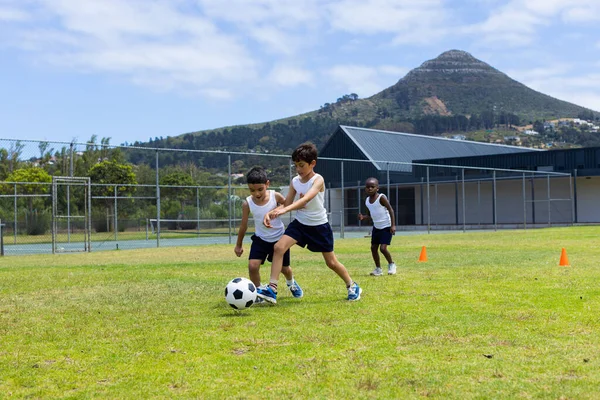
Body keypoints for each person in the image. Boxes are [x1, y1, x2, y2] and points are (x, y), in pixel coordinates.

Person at [256, 142, 362, 304]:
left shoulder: (318, 180)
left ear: (313, 163)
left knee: (331, 263)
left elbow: (306, 199)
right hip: (300, 224)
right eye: (296, 165)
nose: (298, 169)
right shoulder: (295, 181)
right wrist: (271, 213)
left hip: (319, 227)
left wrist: (285, 210)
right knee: (278, 248)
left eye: (302, 165)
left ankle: (352, 285)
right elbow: (287, 202)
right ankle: (272, 289)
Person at [234, 166, 303, 302]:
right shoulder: (247, 203)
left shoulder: (275, 196)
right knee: (253, 266)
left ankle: (291, 283)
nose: (257, 194)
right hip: (260, 239)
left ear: (267, 184)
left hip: (279, 240)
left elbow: (286, 205)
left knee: (285, 269)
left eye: (260, 189)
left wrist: (274, 211)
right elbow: (243, 226)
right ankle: (259, 292)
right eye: (252, 190)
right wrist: (238, 245)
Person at [358, 177, 397, 276]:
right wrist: (363, 217)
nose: (370, 189)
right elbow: (370, 215)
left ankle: (392, 265)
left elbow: (391, 210)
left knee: (383, 249)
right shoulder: (367, 201)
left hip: (386, 227)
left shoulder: (381, 197)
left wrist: (393, 225)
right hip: (376, 227)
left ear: (377, 188)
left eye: (372, 187)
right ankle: (378, 269)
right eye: (367, 187)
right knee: (373, 248)